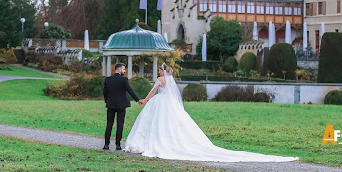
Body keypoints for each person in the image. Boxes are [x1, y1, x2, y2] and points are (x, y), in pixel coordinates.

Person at [124, 63, 298, 162]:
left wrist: (144, 100)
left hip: (159, 103)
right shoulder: (171, 81)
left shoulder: (160, 80)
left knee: (156, 124)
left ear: (162, 71)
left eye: (160, 70)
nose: (160, 72)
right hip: (169, 104)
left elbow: (153, 92)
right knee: (172, 124)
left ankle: (152, 143)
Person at [103, 63, 144, 150]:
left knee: (109, 124)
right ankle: (118, 145)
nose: (124, 71)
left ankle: (106, 144)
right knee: (120, 124)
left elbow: (105, 92)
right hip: (121, 105)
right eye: (123, 69)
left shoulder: (108, 79)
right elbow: (130, 90)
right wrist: (137, 100)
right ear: (119, 69)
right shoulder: (124, 80)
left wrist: (107, 101)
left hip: (111, 104)